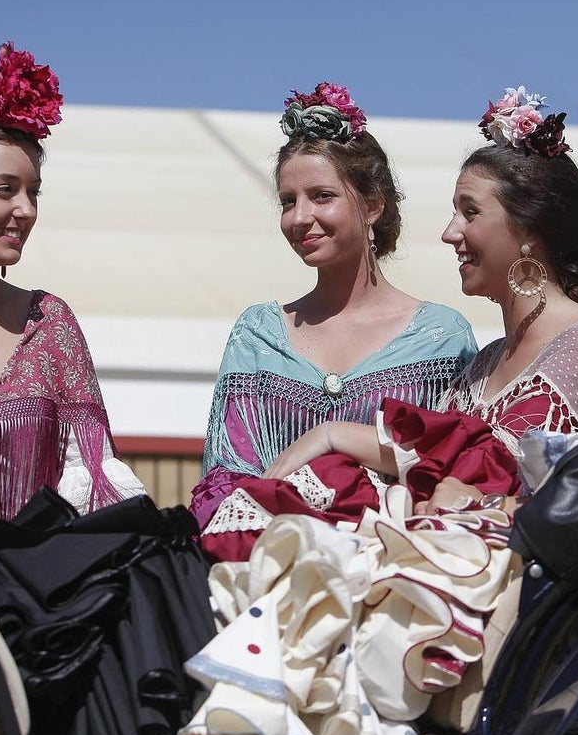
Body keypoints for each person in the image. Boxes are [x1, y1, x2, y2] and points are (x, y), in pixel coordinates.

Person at [181, 86, 578, 735]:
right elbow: (422, 477)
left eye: (469, 212)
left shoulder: (575, 344)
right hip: (376, 582)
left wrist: (337, 437)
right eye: (286, 200)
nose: (449, 231)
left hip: (472, 605)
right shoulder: (481, 362)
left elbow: (512, 484)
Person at [189, 82, 478, 531]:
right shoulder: (258, 333)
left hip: (394, 571)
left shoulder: (441, 336)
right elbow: (224, 476)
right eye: (288, 201)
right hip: (269, 566)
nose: (300, 218)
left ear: (373, 206)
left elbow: (452, 466)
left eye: (322, 196)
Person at [0, 43, 145, 519]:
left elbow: (93, 475)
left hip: (27, 583)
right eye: (5, 189)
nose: (26, 210)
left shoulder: (49, 321)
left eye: (33, 192)